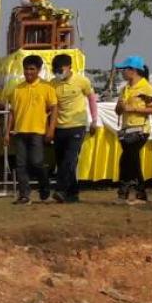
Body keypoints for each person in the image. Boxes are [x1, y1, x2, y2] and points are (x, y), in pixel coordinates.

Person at [0, 54, 55, 205]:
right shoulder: (18, 88)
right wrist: (7, 132)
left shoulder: (47, 87)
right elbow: (12, 112)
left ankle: (45, 189)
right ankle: (24, 195)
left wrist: (51, 129)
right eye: (26, 69)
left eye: (32, 69)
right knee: (20, 165)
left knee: (37, 162)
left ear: (39, 70)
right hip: (20, 132)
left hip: (38, 131)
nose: (28, 72)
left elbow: (54, 108)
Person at [47, 53, 97, 203]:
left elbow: (92, 99)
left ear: (69, 67)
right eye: (55, 70)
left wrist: (94, 120)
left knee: (69, 160)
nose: (58, 73)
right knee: (62, 161)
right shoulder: (52, 84)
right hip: (59, 127)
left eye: (60, 70)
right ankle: (73, 193)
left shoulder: (82, 81)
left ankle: (60, 190)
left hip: (77, 126)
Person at [114, 56, 152, 204]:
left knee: (129, 159)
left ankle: (128, 192)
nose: (122, 72)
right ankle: (135, 193)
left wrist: (133, 108)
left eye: (124, 69)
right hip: (126, 129)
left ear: (133, 70)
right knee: (130, 161)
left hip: (140, 130)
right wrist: (120, 107)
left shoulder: (146, 87)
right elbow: (118, 111)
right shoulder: (125, 88)